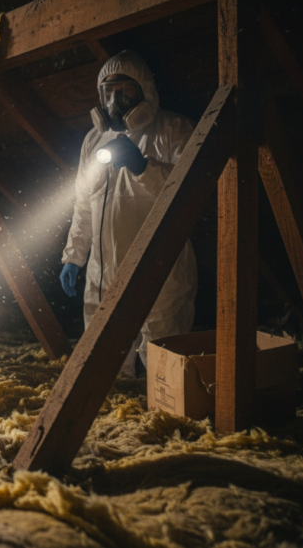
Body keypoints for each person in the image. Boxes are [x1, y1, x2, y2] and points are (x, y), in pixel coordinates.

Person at [59, 50, 198, 377]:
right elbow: (84, 204)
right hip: (102, 273)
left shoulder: (174, 129)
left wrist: (143, 167)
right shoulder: (94, 139)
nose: (116, 101)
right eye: (110, 92)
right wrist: (73, 257)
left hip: (160, 268)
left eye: (126, 91)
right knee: (104, 361)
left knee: (164, 364)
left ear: (144, 90)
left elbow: (193, 191)